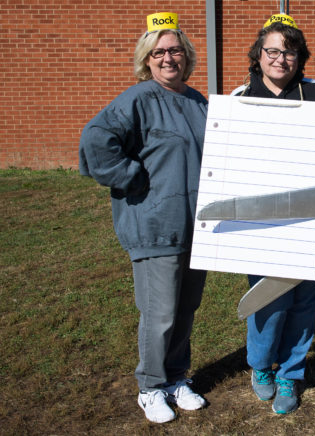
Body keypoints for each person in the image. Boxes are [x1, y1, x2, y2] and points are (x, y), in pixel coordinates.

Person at [79, 12, 208, 424]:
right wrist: (130, 176)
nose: (168, 58)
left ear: (186, 55)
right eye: (159, 53)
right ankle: (150, 386)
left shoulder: (198, 101)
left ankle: (176, 378)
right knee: (161, 312)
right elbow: (95, 140)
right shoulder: (137, 99)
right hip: (155, 224)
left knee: (186, 308)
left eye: (175, 50)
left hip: (196, 226)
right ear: (147, 60)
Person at [231, 14, 315, 415]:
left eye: (289, 52)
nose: (280, 59)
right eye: (272, 50)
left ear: (300, 57)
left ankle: (291, 372)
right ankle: (261, 366)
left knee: (305, 300)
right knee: (269, 300)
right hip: (262, 224)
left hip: (314, 217)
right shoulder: (239, 99)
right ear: (258, 55)